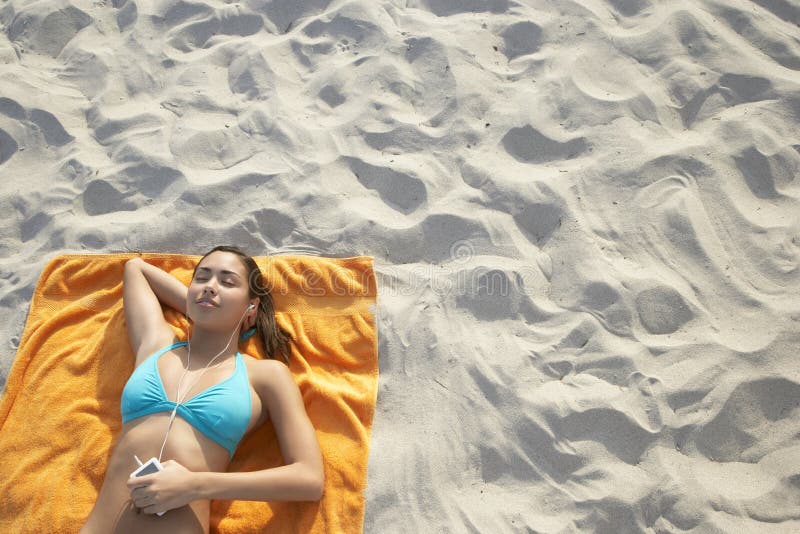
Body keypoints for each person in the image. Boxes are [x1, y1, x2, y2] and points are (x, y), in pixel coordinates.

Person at [80, 246, 324, 534]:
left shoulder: (264, 375)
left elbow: (309, 479)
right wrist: (202, 309)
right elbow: (136, 269)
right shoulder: (156, 345)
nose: (210, 286)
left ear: (252, 307)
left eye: (227, 281)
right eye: (202, 278)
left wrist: (194, 484)